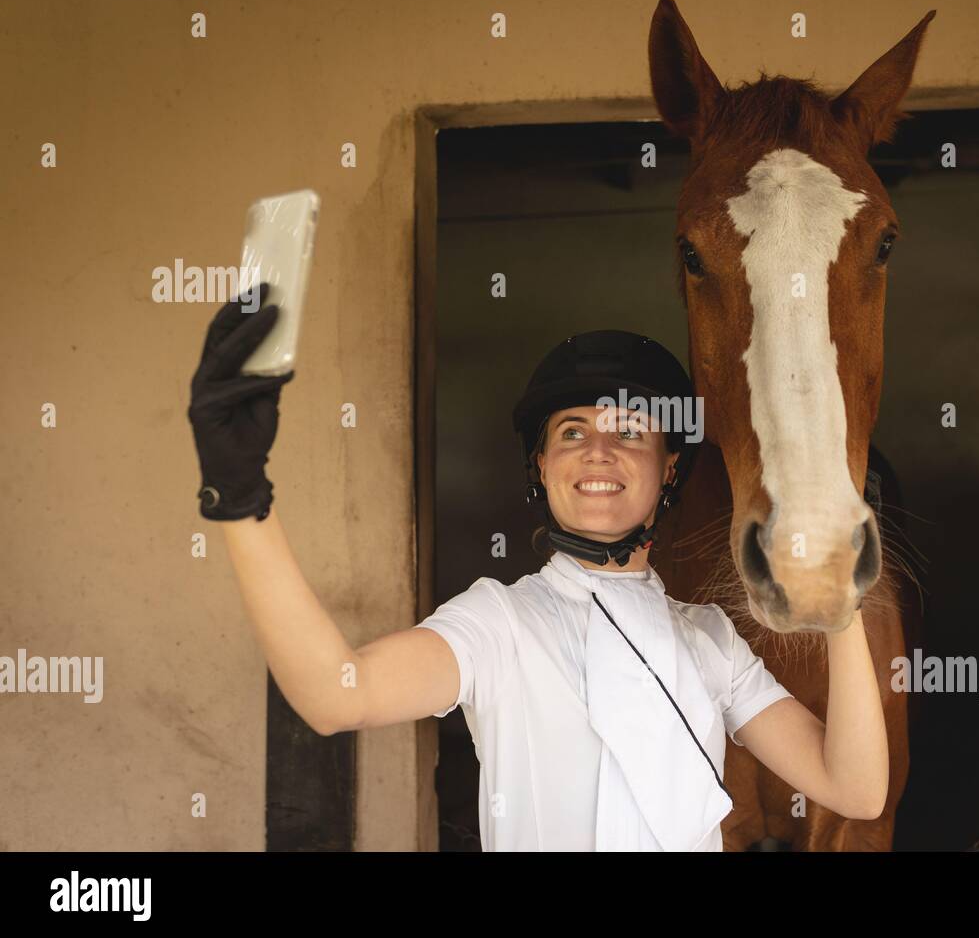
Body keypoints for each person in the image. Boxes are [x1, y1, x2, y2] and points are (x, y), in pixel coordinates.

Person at [187, 287, 888, 852]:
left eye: (629, 433)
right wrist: (240, 498)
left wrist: (842, 596)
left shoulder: (710, 639)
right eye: (572, 433)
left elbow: (854, 791)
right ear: (542, 466)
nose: (598, 452)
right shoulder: (499, 621)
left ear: (670, 469)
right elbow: (336, 696)